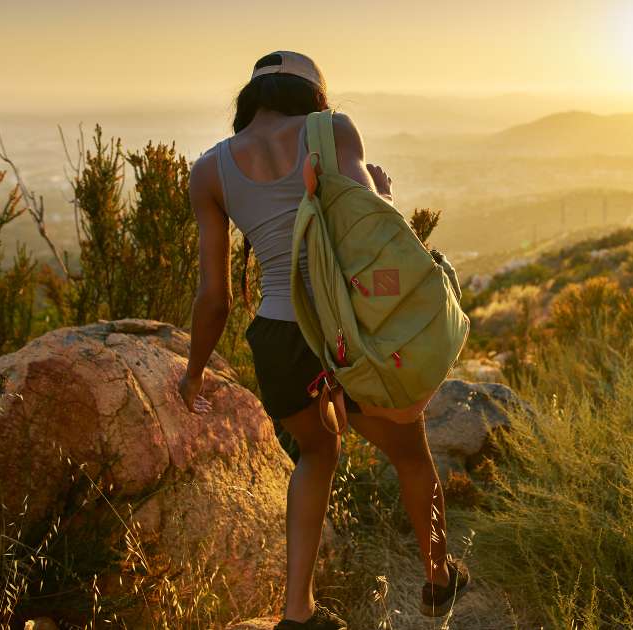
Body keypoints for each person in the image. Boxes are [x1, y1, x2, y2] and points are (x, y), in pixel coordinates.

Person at [175, 51, 470, 630]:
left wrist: (193, 373)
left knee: (315, 453)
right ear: (313, 94)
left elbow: (215, 298)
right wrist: (384, 193)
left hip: (281, 337)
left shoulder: (209, 171)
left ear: (251, 99)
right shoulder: (331, 130)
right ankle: (438, 578)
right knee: (410, 454)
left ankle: (297, 612)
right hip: (350, 329)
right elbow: (371, 236)